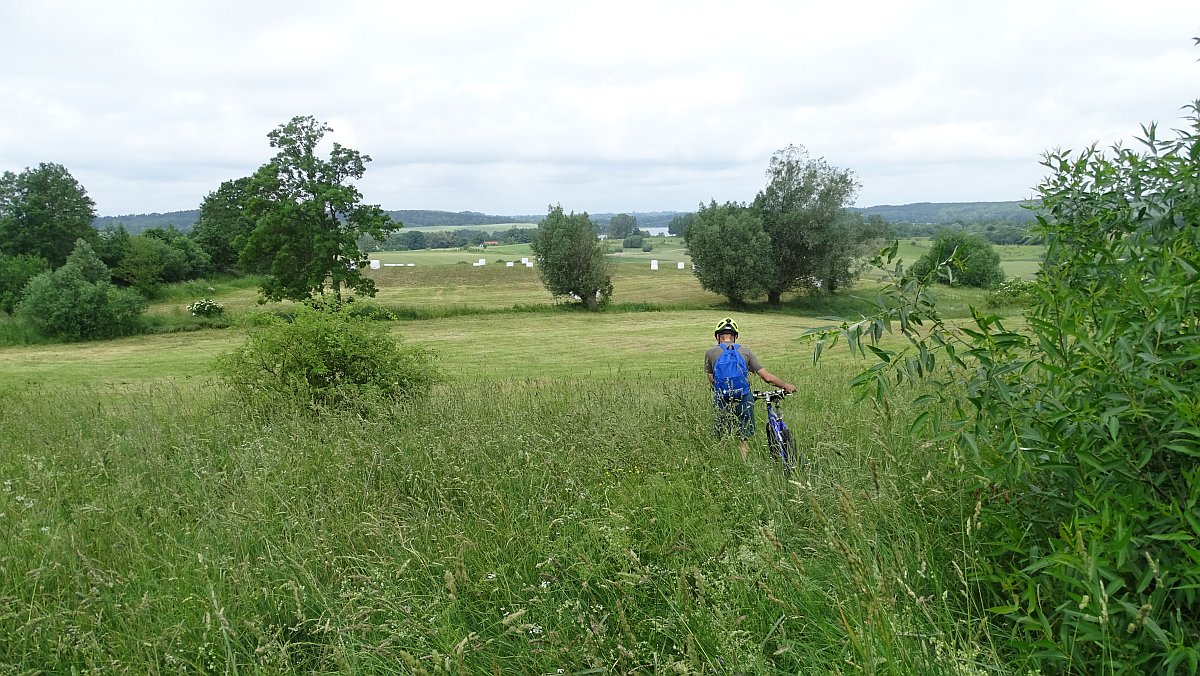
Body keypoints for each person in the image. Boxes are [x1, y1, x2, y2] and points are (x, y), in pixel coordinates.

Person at [704, 317, 796, 460]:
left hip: (722, 396)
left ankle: (722, 461)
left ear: (717, 336)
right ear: (735, 336)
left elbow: (712, 381)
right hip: (743, 396)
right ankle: (743, 461)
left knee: (721, 433)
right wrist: (785, 386)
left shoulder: (710, 353)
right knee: (744, 434)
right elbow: (767, 378)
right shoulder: (745, 352)